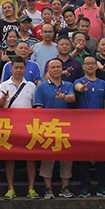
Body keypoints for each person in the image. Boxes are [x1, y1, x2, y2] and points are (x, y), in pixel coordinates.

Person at [0, 57, 39, 199]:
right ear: (11, 69)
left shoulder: (31, 86)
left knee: (30, 158)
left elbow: (35, 106)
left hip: (28, 126)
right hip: (9, 126)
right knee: (10, 158)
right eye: (16, 68)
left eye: (21, 68)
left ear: (25, 70)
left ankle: (31, 188)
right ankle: (10, 188)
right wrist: (4, 98)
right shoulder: (4, 85)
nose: (19, 70)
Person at [33, 58, 76, 199]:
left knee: (66, 157)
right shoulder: (41, 87)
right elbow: (38, 107)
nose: (56, 69)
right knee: (48, 158)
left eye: (58, 67)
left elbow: (72, 98)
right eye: (53, 67)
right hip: (48, 127)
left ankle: (65, 187)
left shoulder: (68, 85)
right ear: (48, 70)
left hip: (66, 126)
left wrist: (63, 97)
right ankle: (48, 187)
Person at [73, 55, 105, 198]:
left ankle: (102, 187)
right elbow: (76, 88)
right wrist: (80, 88)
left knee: (101, 158)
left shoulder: (102, 83)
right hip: (83, 126)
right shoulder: (79, 81)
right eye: (87, 63)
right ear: (83, 67)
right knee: (84, 158)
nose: (90, 66)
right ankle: (85, 187)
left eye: (92, 63)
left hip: (100, 125)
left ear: (96, 66)